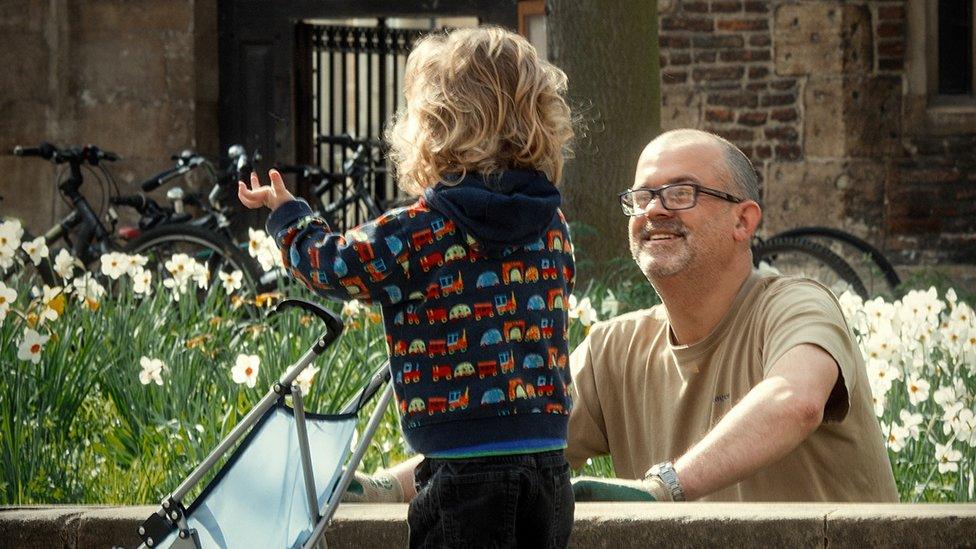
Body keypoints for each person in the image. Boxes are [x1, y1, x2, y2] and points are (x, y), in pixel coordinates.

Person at [358, 128, 898, 504]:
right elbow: (505, 439)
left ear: (744, 220)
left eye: (681, 193)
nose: (654, 210)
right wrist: (377, 489)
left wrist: (663, 488)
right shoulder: (614, 350)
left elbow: (795, 401)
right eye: (641, 197)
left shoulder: (795, 305)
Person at [239, 26, 578, 546]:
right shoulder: (552, 226)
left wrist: (288, 217)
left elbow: (333, 265)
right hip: (550, 468)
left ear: (434, 127)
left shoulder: (419, 231)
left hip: (462, 472)